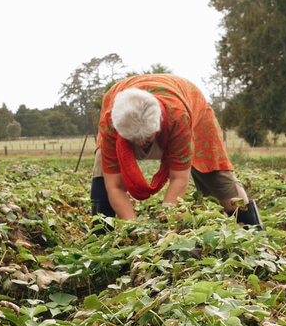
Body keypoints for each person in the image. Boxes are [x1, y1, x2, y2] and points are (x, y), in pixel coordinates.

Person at [90, 74, 262, 228]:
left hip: (189, 103)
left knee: (218, 176)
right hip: (123, 119)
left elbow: (179, 178)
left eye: (147, 140)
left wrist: (166, 220)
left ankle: (252, 229)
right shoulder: (111, 121)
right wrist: (134, 227)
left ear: (159, 124)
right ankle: (101, 235)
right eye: (134, 141)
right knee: (102, 175)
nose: (141, 146)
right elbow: (115, 186)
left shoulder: (178, 116)